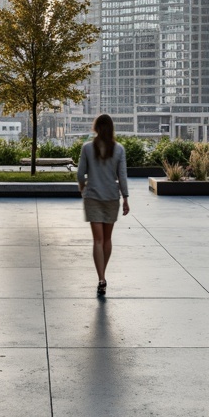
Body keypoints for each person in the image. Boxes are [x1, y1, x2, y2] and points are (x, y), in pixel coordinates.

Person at [76, 113, 130, 297]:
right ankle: (103, 276)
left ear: (96, 128)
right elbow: (122, 176)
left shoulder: (87, 148)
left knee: (97, 240)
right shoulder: (120, 149)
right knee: (107, 240)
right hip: (111, 198)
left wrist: (83, 188)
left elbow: (80, 174)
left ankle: (101, 278)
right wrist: (126, 198)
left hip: (93, 197)